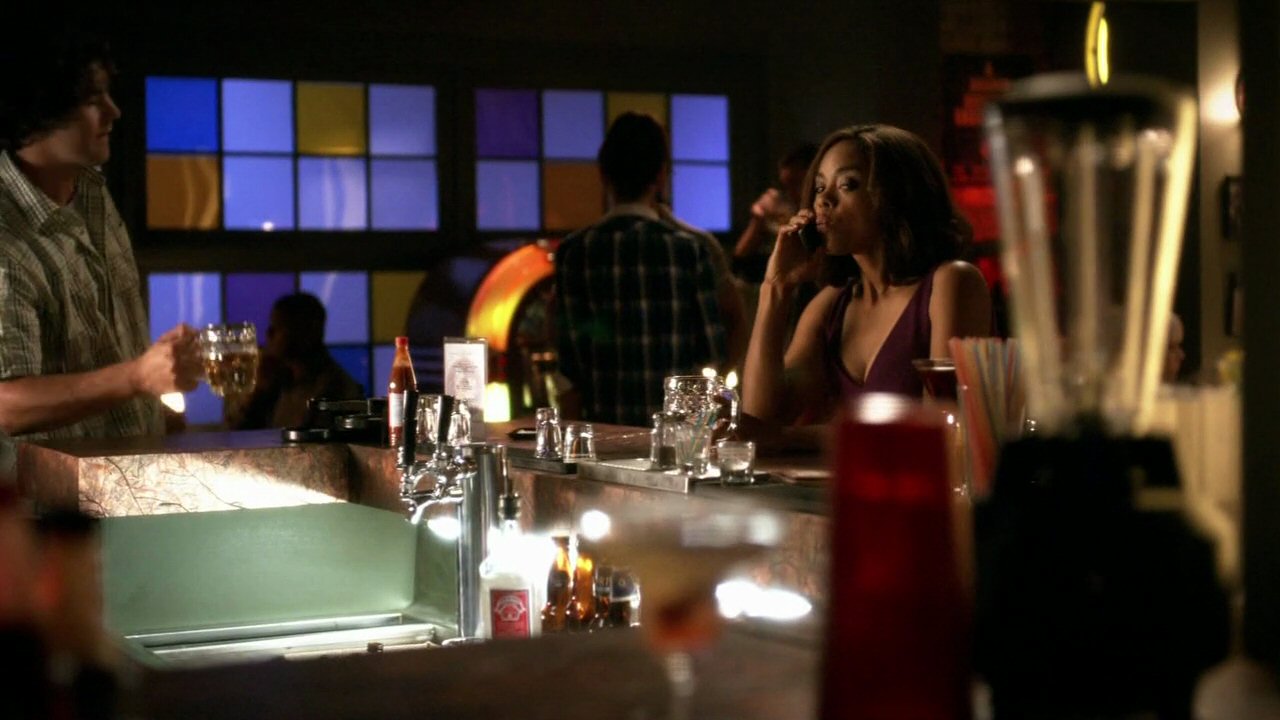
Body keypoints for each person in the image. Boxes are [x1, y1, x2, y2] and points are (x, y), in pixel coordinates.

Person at [0, 26, 201, 441]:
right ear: (39, 110)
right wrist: (137, 377)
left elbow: (103, 348)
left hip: (132, 472)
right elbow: (5, 405)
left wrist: (152, 396)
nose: (114, 111)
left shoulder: (92, 190)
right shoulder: (7, 236)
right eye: (93, 100)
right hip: (49, 485)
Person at [743, 124, 992, 425]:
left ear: (899, 193)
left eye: (847, 184)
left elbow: (940, 427)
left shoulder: (952, 283)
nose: (823, 200)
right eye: (820, 187)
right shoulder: (830, 306)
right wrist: (776, 288)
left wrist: (787, 440)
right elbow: (760, 419)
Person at [555, 112, 748, 427]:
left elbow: (569, 360)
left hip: (604, 431)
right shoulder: (690, 248)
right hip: (679, 434)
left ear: (603, 174)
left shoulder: (575, 251)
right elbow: (712, 348)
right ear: (660, 175)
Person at [231, 293, 363, 429]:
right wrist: (257, 393)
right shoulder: (278, 382)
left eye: (278, 327)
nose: (268, 334)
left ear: (306, 332)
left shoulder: (335, 391)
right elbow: (236, 433)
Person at [734, 143, 818, 266]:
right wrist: (758, 219)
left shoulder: (824, 210)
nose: (790, 193)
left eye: (796, 184)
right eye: (786, 186)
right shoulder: (779, 204)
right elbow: (741, 254)